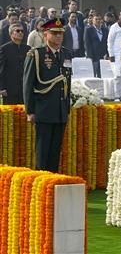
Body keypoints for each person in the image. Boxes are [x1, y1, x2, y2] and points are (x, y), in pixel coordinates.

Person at [23, 18, 73, 172]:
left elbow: (67, 81)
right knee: (43, 149)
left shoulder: (66, 53)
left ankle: (52, 178)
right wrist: (30, 111)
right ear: (46, 34)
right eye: (54, 33)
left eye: (60, 33)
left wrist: (66, 107)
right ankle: (43, 180)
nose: (58, 36)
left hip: (60, 109)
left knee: (55, 150)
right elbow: (28, 84)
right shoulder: (36, 54)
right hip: (44, 109)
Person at [0, 23, 30, 104]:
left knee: (24, 113)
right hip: (10, 88)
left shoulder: (27, 48)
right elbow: (1, 69)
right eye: (17, 31)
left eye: (22, 31)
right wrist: (2, 88)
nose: (20, 33)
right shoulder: (4, 49)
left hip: (25, 88)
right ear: (11, 33)